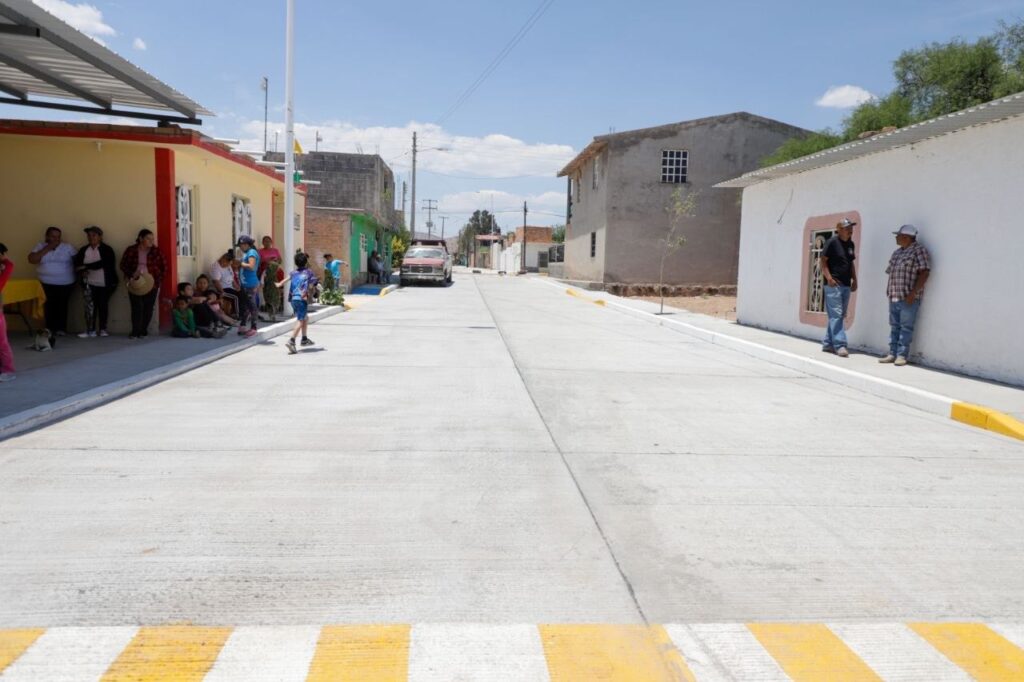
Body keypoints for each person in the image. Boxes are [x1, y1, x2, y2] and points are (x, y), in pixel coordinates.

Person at [880, 224, 931, 367]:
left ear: (907, 237)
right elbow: (891, 272)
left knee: (906, 327)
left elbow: (925, 272)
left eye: (898, 235)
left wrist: (913, 293)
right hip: (894, 295)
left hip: (908, 297)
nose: (896, 238)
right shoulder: (897, 253)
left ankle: (901, 355)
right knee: (894, 326)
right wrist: (889, 291)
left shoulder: (919, 251)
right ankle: (892, 353)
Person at [28, 226, 77, 345]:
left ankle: (61, 329)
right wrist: (47, 248)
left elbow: (78, 260)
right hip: (45, 282)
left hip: (65, 282)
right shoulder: (40, 246)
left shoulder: (67, 247)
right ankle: (49, 329)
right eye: (53, 236)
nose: (56, 239)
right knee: (48, 306)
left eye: (58, 237)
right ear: (47, 236)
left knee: (62, 305)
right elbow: (32, 259)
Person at [119, 228, 167, 340]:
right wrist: (131, 274)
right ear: (141, 239)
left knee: (148, 307)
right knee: (137, 307)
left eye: (152, 239)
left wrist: (157, 280)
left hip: (152, 283)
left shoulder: (156, 251)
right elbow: (123, 265)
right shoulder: (131, 250)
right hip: (136, 282)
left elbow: (164, 267)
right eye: (148, 238)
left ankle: (143, 330)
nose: (151, 241)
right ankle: (135, 331)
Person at [820, 218, 857, 357]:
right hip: (834, 284)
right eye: (847, 228)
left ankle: (828, 343)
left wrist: (855, 280)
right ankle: (840, 345)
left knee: (839, 315)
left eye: (851, 227)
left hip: (846, 285)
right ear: (839, 229)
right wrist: (829, 278)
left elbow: (851, 263)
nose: (850, 230)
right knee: (836, 315)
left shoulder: (851, 244)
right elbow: (823, 261)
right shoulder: (832, 242)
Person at [73, 226, 117, 338]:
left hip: (105, 283)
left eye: (94, 235)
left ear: (100, 237)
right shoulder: (84, 250)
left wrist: (86, 266)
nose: (91, 237)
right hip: (89, 283)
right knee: (89, 307)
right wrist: (82, 271)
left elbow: (104, 263)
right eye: (89, 235)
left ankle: (103, 329)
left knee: (103, 305)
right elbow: (77, 265)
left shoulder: (107, 249)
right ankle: (90, 330)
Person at [277, 251, 319, 354]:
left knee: (305, 317)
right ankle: (291, 340)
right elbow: (313, 283)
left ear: (296, 263)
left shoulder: (293, 273)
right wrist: (316, 288)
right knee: (300, 320)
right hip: (301, 299)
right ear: (306, 262)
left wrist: (279, 284)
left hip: (293, 299)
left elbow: (285, 280)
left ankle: (304, 339)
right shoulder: (308, 272)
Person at [236, 234, 260, 338]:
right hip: (245, 284)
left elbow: (251, 266)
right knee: (246, 305)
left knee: (252, 306)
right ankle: (243, 325)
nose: (240, 247)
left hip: (250, 284)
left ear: (246, 244)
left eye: (241, 245)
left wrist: (240, 263)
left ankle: (254, 327)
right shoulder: (247, 253)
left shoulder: (252, 253)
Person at [0, 243, 16, 382]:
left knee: (2, 342)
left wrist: (3, 259)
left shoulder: (4, 267)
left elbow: (9, 265)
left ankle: (8, 370)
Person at [210, 251, 239, 317]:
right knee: (236, 297)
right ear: (224, 260)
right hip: (223, 289)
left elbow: (232, 277)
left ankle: (245, 311)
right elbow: (216, 282)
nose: (229, 265)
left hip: (230, 287)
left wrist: (236, 286)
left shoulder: (228, 266)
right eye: (228, 263)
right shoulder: (216, 267)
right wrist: (222, 292)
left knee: (241, 293)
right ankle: (237, 314)